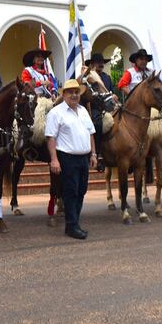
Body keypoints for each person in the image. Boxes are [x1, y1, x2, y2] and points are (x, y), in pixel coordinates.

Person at [46, 79, 97, 240]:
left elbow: (91, 133)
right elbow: (50, 138)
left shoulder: (83, 110)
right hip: (67, 157)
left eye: (76, 92)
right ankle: (71, 225)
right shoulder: (56, 112)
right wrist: (54, 159)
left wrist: (94, 154)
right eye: (71, 92)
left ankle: (75, 222)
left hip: (83, 157)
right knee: (71, 192)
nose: (74, 95)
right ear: (64, 94)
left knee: (81, 190)